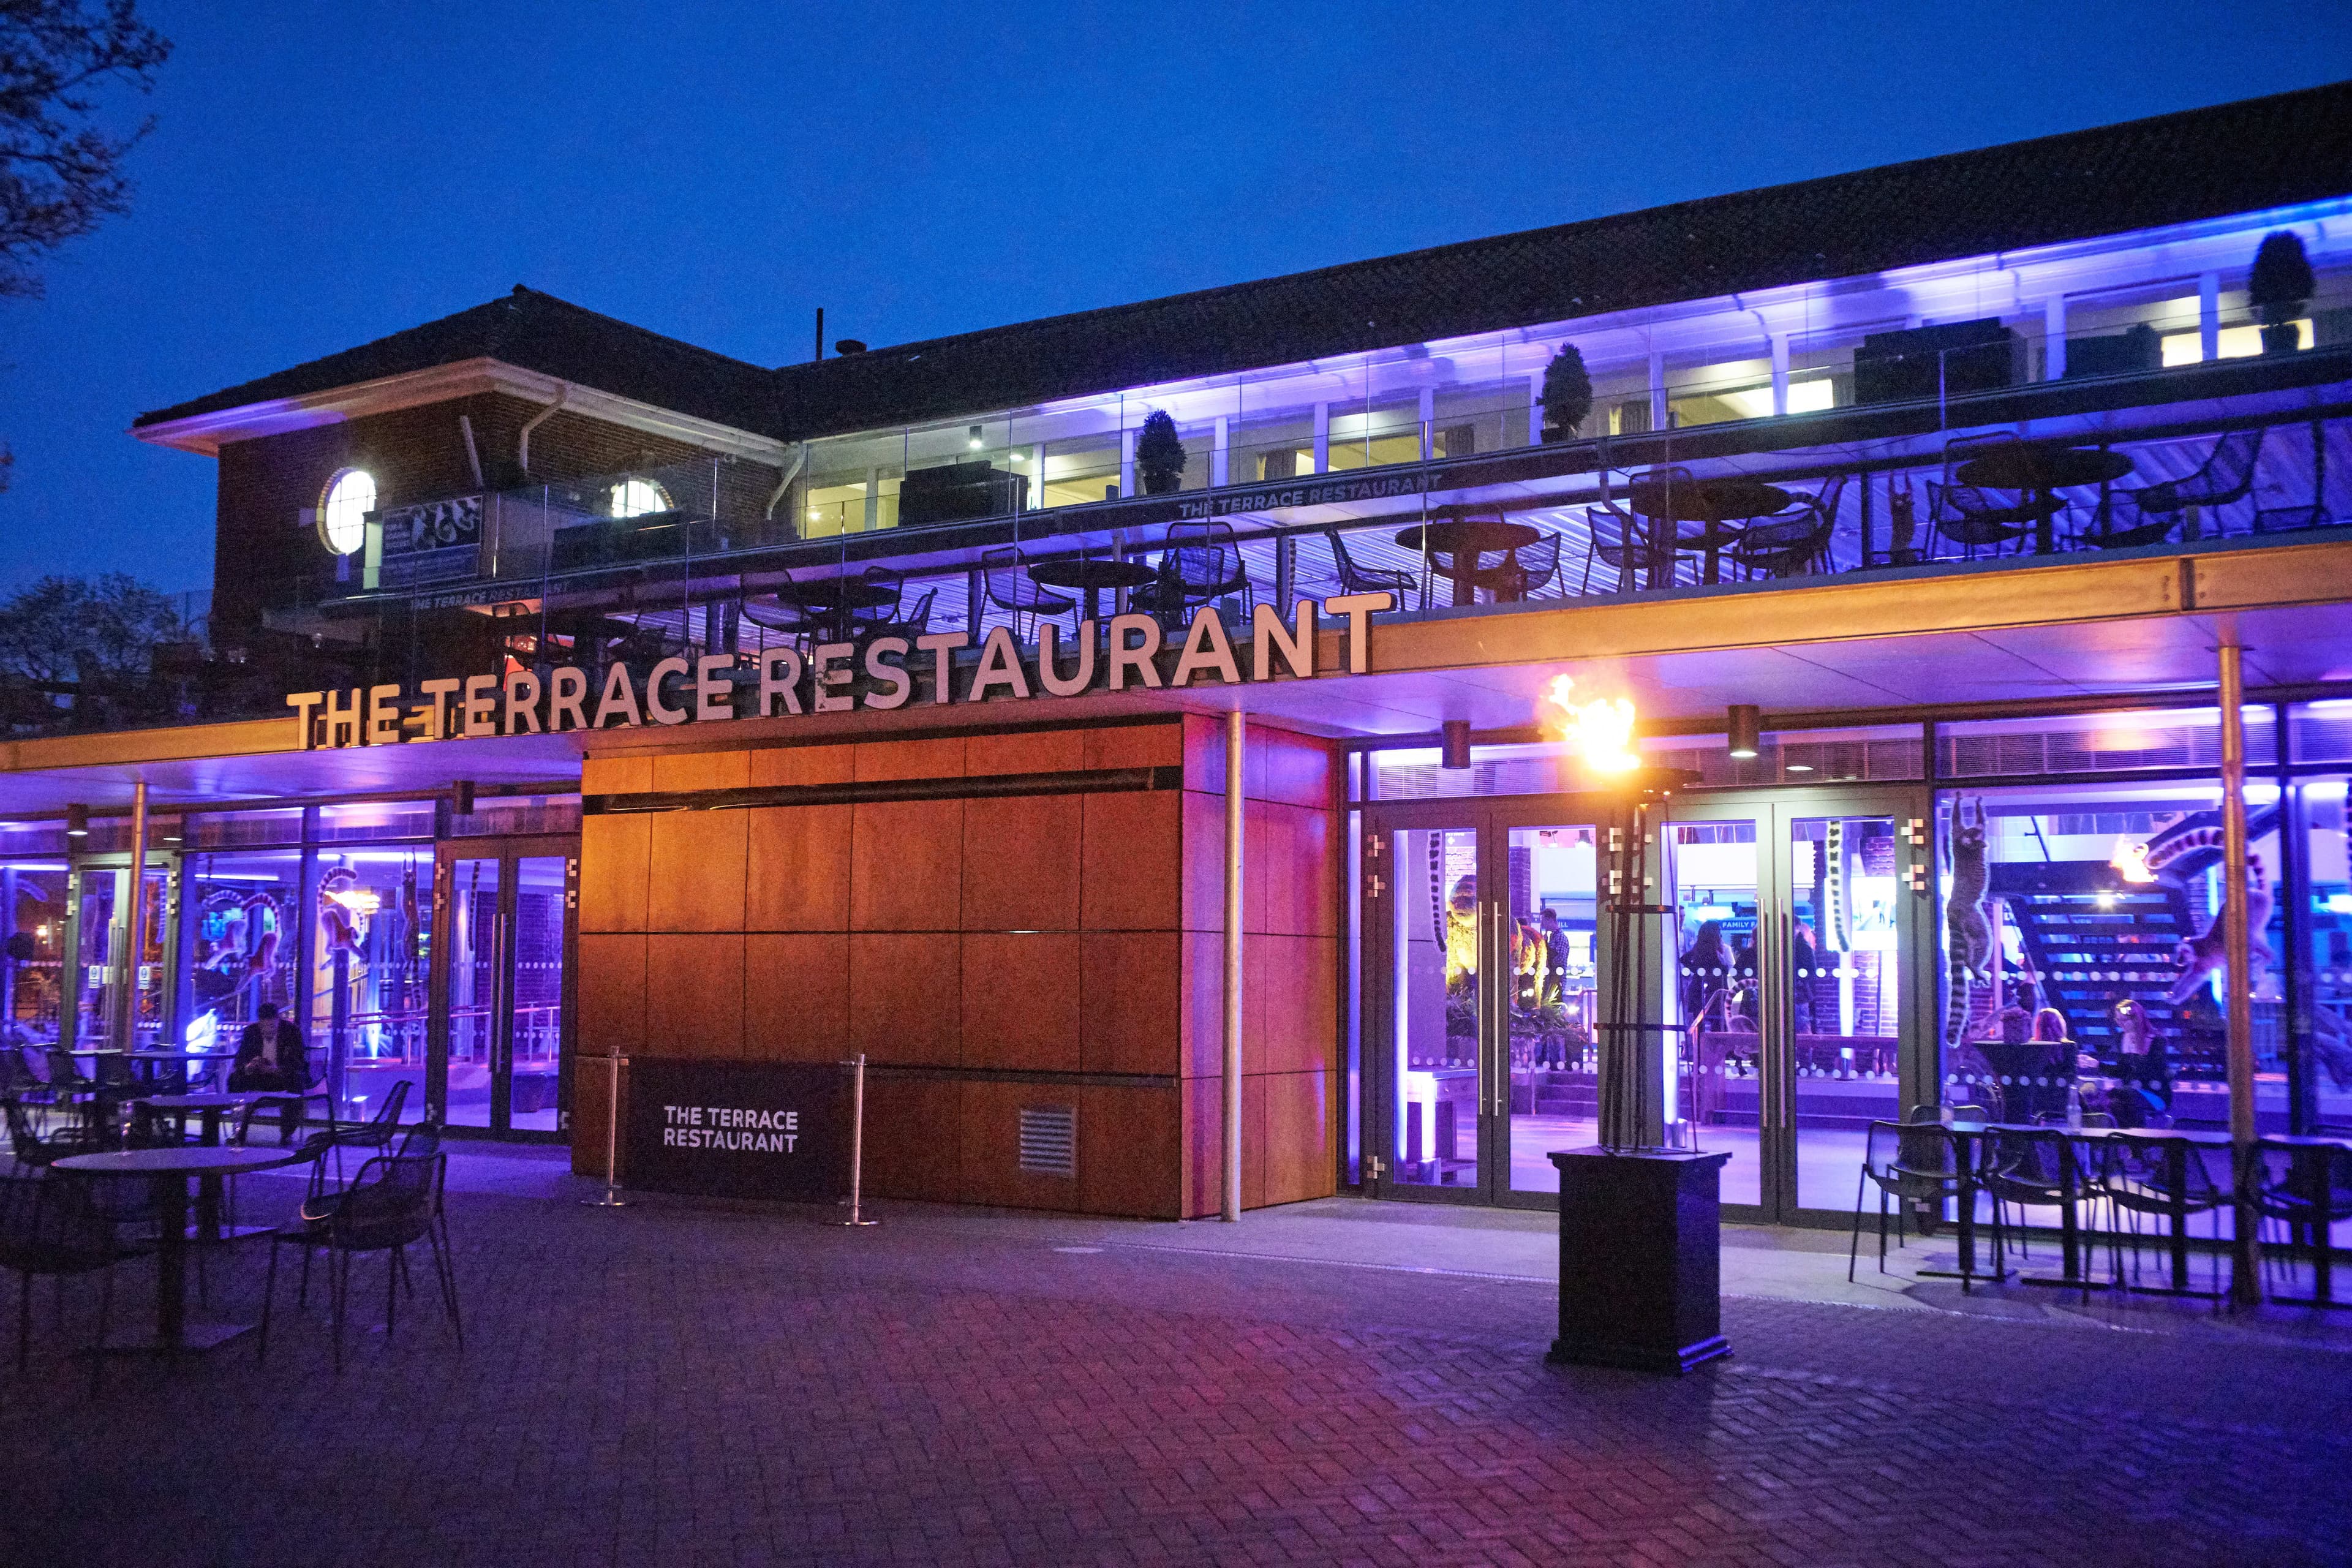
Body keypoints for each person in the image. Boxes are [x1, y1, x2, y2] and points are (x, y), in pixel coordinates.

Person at [230, 1002, 310, 1093]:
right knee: (235, 1079)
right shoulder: (251, 1032)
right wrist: (249, 1066)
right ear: (260, 1023)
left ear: (278, 1021)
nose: (268, 1030)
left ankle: (294, 1107)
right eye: (264, 1026)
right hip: (258, 1076)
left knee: (295, 1079)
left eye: (272, 1026)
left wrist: (277, 1069)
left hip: (282, 1076)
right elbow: (240, 1059)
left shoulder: (291, 1031)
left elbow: (298, 1060)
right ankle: (240, 1107)